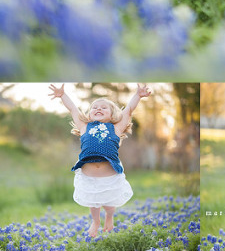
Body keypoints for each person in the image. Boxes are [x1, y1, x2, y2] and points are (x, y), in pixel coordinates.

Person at [48, 82, 152, 239]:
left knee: (109, 204)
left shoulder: (116, 128)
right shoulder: (84, 127)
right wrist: (62, 95)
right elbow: (73, 110)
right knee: (94, 202)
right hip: (88, 176)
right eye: (94, 107)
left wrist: (138, 95)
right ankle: (95, 221)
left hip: (109, 175)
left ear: (112, 115)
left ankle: (109, 217)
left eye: (104, 108)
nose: (98, 109)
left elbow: (129, 110)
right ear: (89, 114)